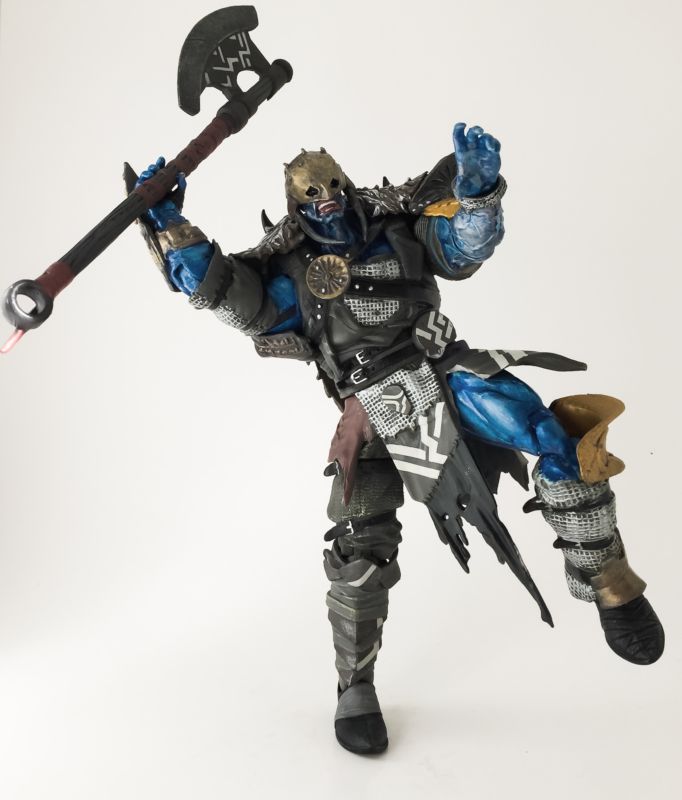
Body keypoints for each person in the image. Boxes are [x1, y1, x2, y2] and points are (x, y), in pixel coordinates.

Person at [129, 122, 664, 755]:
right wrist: (171, 227)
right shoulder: (290, 269)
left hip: (447, 373)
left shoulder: (399, 227)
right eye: (312, 194)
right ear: (296, 204)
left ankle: (611, 583)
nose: (328, 199)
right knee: (360, 546)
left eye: (333, 185)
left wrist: (478, 194)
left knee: (556, 436)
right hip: (372, 406)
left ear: (347, 182)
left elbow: (462, 249)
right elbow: (226, 294)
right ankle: (355, 685)